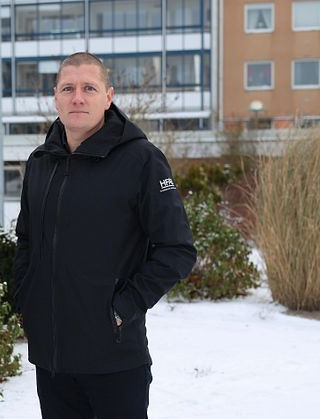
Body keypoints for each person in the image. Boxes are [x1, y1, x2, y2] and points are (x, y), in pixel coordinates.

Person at [13, 52, 197, 419]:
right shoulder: (40, 162)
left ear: (108, 96)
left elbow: (177, 249)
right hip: (53, 362)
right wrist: (25, 300)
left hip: (114, 360)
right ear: (56, 96)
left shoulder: (141, 160)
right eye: (68, 88)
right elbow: (26, 241)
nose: (77, 97)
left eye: (88, 88)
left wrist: (123, 307)